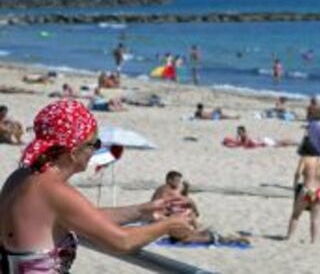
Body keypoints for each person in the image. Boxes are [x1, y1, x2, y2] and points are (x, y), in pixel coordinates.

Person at [0, 100, 191, 273]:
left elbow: (80, 217)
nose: (96, 150)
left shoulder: (20, 177)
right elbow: (122, 241)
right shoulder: (55, 191)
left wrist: (142, 210)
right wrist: (169, 225)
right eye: (94, 143)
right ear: (73, 152)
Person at [287, 138, 320, 243]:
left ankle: (289, 238)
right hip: (318, 191)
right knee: (315, 218)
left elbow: (298, 173)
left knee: (296, 215)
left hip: (308, 189)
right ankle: (313, 241)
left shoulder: (305, 159)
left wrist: (295, 185)